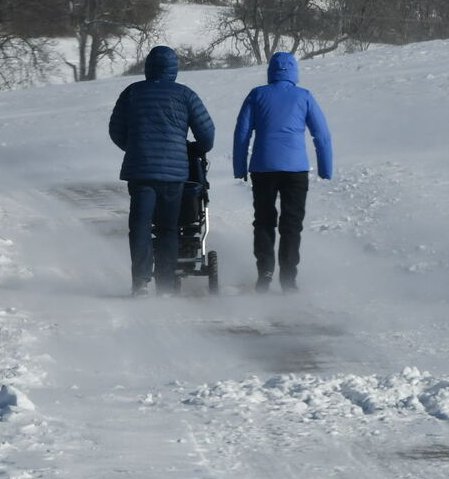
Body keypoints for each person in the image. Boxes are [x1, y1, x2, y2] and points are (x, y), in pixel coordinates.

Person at [109, 45, 215, 296]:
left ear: (148, 67)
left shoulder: (132, 92)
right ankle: (166, 284)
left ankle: (141, 282)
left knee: (141, 225)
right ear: (174, 68)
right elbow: (207, 133)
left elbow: (115, 130)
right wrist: (194, 149)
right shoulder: (185, 95)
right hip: (174, 174)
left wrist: (134, 147)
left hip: (141, 171)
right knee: (169, 228)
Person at [232, 51, 333, 293]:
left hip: (263, 167)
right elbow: (322, 135)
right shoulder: (304, 96)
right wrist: (325, 168)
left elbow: (242, 134)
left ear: (271, 71)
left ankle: (265, 271)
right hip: (295, 170)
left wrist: (240, 167)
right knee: (291, 224)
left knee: (264, 220)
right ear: (294, 71)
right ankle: (288, 278)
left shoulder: (257, 95)